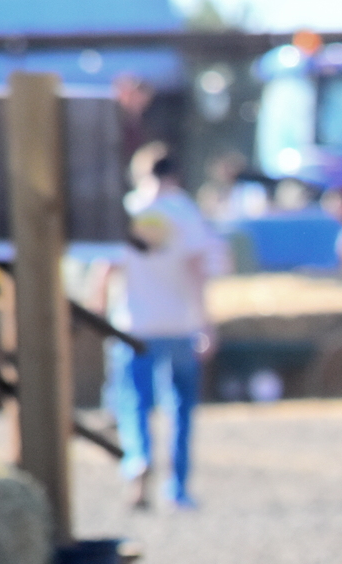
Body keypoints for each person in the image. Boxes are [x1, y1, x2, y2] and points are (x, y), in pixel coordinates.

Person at [107, 149, 227, 509]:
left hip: (134, 323)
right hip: (179, 323)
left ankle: (138, 458)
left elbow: (106, 267)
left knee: (133, 401)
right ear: (175, 174)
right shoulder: (185, 212)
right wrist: (206, 322)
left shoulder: (127, 209)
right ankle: (177, 487)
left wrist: (97, 306)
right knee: (180, 408)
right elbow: (197, 269)